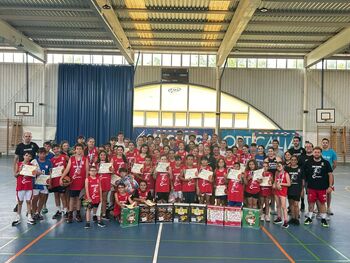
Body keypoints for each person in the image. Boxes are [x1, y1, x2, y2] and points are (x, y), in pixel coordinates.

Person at [304, 147, 333, 228]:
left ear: (321, 153)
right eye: (315, 152)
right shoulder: (308, 162)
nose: (316, 153)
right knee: (311, 203)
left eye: (318, 152)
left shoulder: (326, 163)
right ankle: (309, 217)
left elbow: (330, 174)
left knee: (322, 203)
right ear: (313, 153)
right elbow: (304, 174)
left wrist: (330, 186)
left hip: (322, 187)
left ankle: (323, 219)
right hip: (311, 187)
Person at [61, 143, 89, 223]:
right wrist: (62, 177)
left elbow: (87, 171)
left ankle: (78, 213)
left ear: (82, 150)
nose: (79, 150)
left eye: (80, 149)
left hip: (81, 182)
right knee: (72, 198)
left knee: (79, 198)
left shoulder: (85, 159)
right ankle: (70, 214)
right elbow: (67, 169)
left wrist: (86, 181)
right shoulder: (71, 158)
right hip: (73, 182)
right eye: (77, 149)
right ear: (75, 150)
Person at [13, 132, 39, 213]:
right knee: (20, 188)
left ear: (31, 137)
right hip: (22, 170)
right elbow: (16, 158)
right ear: (23, 137)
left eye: (29, 136)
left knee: (31, 188)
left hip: (31, 169)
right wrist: (15, 170)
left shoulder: (34, 145)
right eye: (26, 136)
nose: (27, 138)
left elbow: (40, 154)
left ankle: (30, 208)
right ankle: (19, 203)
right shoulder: (20, 146)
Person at [12, 152, 36, 226]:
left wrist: (33, 172)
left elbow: (33, 175)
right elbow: (15, 175)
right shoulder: (19, 164)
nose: (27, 157)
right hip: (20, 186)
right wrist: (20, 170)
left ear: (31, 158)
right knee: (20, 202)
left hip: (28, 186)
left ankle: (29, 217)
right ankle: (18, 217)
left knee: (29, 202)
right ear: (23, 156)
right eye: (26, 155)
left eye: (29, 156)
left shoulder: (32, 166)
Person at [31, 147, 52, 221]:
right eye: (40, 153)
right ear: (38, 154)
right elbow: (30, 172)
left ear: (46, 154)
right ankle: (33, 212)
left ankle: (38, 213)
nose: (42, 155)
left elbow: (50, 173)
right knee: (35, 199)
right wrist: (35, 172)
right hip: (35, 183)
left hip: (44, 183)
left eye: (44, 154)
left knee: (42, 198)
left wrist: (50, 183)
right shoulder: (34, 162)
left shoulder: (48, 162)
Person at [50, 144, 68, 220]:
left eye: (57, 148)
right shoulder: (51, 160)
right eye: (54, 149)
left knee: (62, 195)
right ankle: (59, 210)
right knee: (56, 195)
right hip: (54, 180)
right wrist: (50, 181)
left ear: (60, 149)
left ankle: (66, 210)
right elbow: (51, 171)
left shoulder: (64, 157)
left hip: (62, 180)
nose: (56, 150)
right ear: (53, 150)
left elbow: (69, 166)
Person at [285, 156, 304, 225]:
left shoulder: (300, 169)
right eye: (292, 160)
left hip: (297, 189)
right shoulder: (287, 169)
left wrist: (302, 190)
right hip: (290, 189)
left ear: (297, 161)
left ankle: (296, 218)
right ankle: (292, 218)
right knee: (291, 205)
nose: (293, 161)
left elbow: (303, 181)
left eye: (295, 160)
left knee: (296, 204)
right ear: (290, 160)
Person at [321, 138, 337, 216]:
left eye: (326, 143)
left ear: (328, 143)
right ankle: (319, 207)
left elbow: (335, 164)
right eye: (323, 143)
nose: (324, 144)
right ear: (322, 143)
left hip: (328, 175)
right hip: (320, 175)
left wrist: (330, 171)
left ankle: (328, 207)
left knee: (328, 191)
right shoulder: (320, 151)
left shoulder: (332, 152)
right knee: (319, 190)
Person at [273, 162, 291, 229]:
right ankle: (279, 217)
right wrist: (274, 185)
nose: (278, 167)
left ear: (283, 166)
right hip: (276, 191)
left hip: (283, 192)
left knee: (283, 206)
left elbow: (289, 184)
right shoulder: (276, 173)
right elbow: (275, 182)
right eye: (277, 166)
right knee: (278, 205)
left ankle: (286, 221)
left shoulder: (286, 174)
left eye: (280, 166)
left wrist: (281, 183)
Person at [97, 150, 113, 220]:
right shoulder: (96, 164)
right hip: (98, 184)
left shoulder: (109, 164)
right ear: (99, 156)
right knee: (97, 199)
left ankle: (103, 214)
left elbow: (112, 172)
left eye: (104, 155)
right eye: (101, 155)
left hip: (106, 183)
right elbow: (92, 173)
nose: (103, 156)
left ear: (106, 156)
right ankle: (96, 214)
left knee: (104, 199)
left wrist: (112, 170)